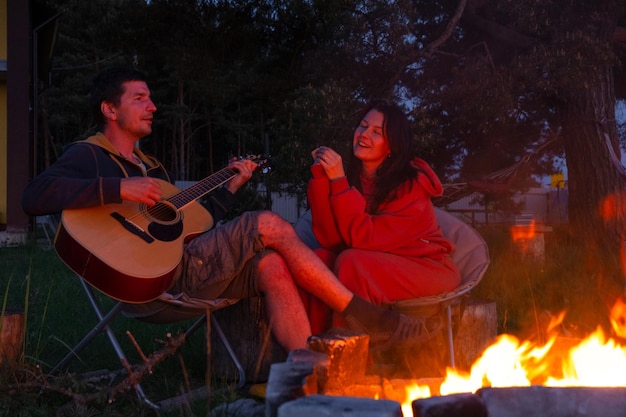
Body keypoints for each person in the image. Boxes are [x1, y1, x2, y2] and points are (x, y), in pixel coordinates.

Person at [22, 67, 434, 355]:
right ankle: (369, 317)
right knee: (268, 223)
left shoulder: (152, 169)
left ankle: (307, 372)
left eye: (151, 98)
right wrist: (117, 187)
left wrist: (231, 187)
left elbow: (189, 228)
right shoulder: (91, 156)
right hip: (148, 283)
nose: (153, 106)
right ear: (110, 110)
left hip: (186, 268)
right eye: (140, 98)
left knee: (272, 264)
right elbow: (34, 196)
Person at [302, 99, 461, 336]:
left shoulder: (411, 186)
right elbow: (331, 239)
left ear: (392, 146)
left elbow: (365, 239)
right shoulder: (357, 178)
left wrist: (338, 182)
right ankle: (313, 347)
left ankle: (348, 353)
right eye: (363, 126)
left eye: (377, 132)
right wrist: (321, 178)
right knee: (319, 260)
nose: (364, 134)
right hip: (382, 260)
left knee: (352, 263)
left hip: (427, 268)